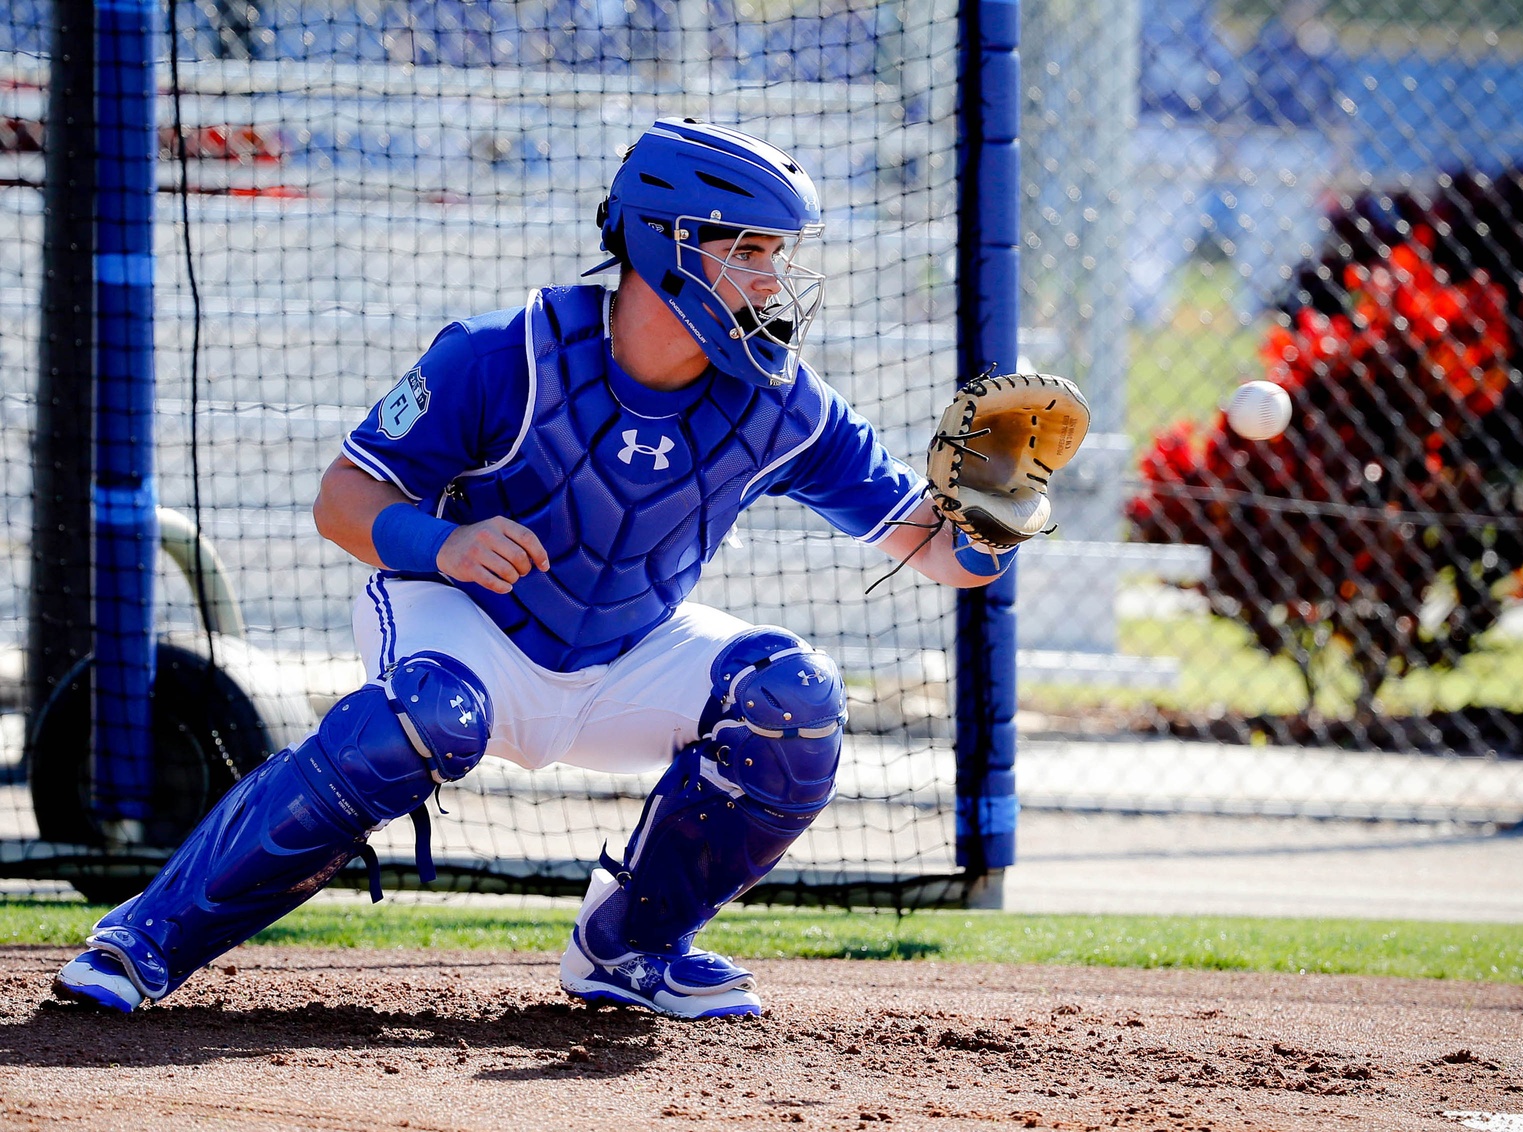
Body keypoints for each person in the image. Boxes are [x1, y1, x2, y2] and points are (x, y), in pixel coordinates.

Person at [53, 119, 1022, 1020]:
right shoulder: (505, 353)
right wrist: (449, 545)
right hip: (463, 622)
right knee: (424, 716)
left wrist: (997, 510)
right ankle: (144, 940)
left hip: (626, 651)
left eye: (778, 256)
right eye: (750, 251)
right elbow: (342, 498)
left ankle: (629, 948)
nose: (773, 281)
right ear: (666, 243)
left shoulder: (783, 402)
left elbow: (938, 550)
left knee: (794, 697)